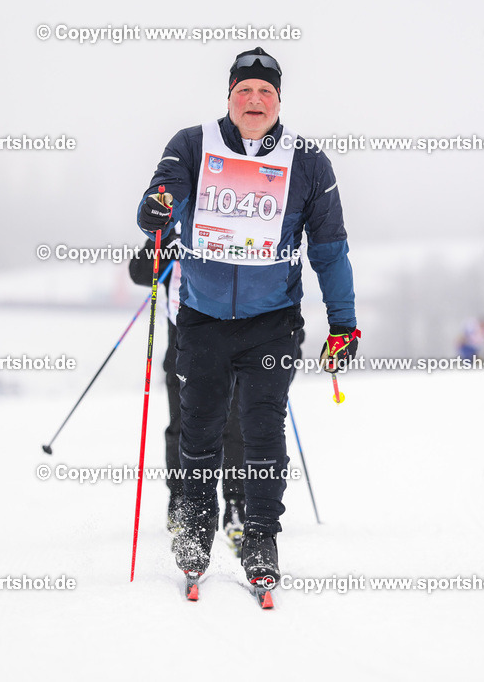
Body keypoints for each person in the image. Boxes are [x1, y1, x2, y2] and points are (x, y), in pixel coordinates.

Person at [135, 47, 359, 592]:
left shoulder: (309, 162)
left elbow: (329, 249)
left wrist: (342, 324)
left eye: (265, 91)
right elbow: (159, 199)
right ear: (229, 97)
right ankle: (195, 531)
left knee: (262, 430)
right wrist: (156, 208)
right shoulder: (192, 145)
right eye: (244, 90)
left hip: (272, 321)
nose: (254, 100)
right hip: (202, 317)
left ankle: (260, 539)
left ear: (279, 100)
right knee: (199, 427)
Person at [128, 235, 247, 555]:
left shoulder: (229, 224)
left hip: (233, 345)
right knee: (181, 427)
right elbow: (140, 273)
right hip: (184, 351)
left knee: (234, 428)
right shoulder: (174, 231)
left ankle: (235, 504)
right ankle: (181, 500)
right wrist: (163, 237)